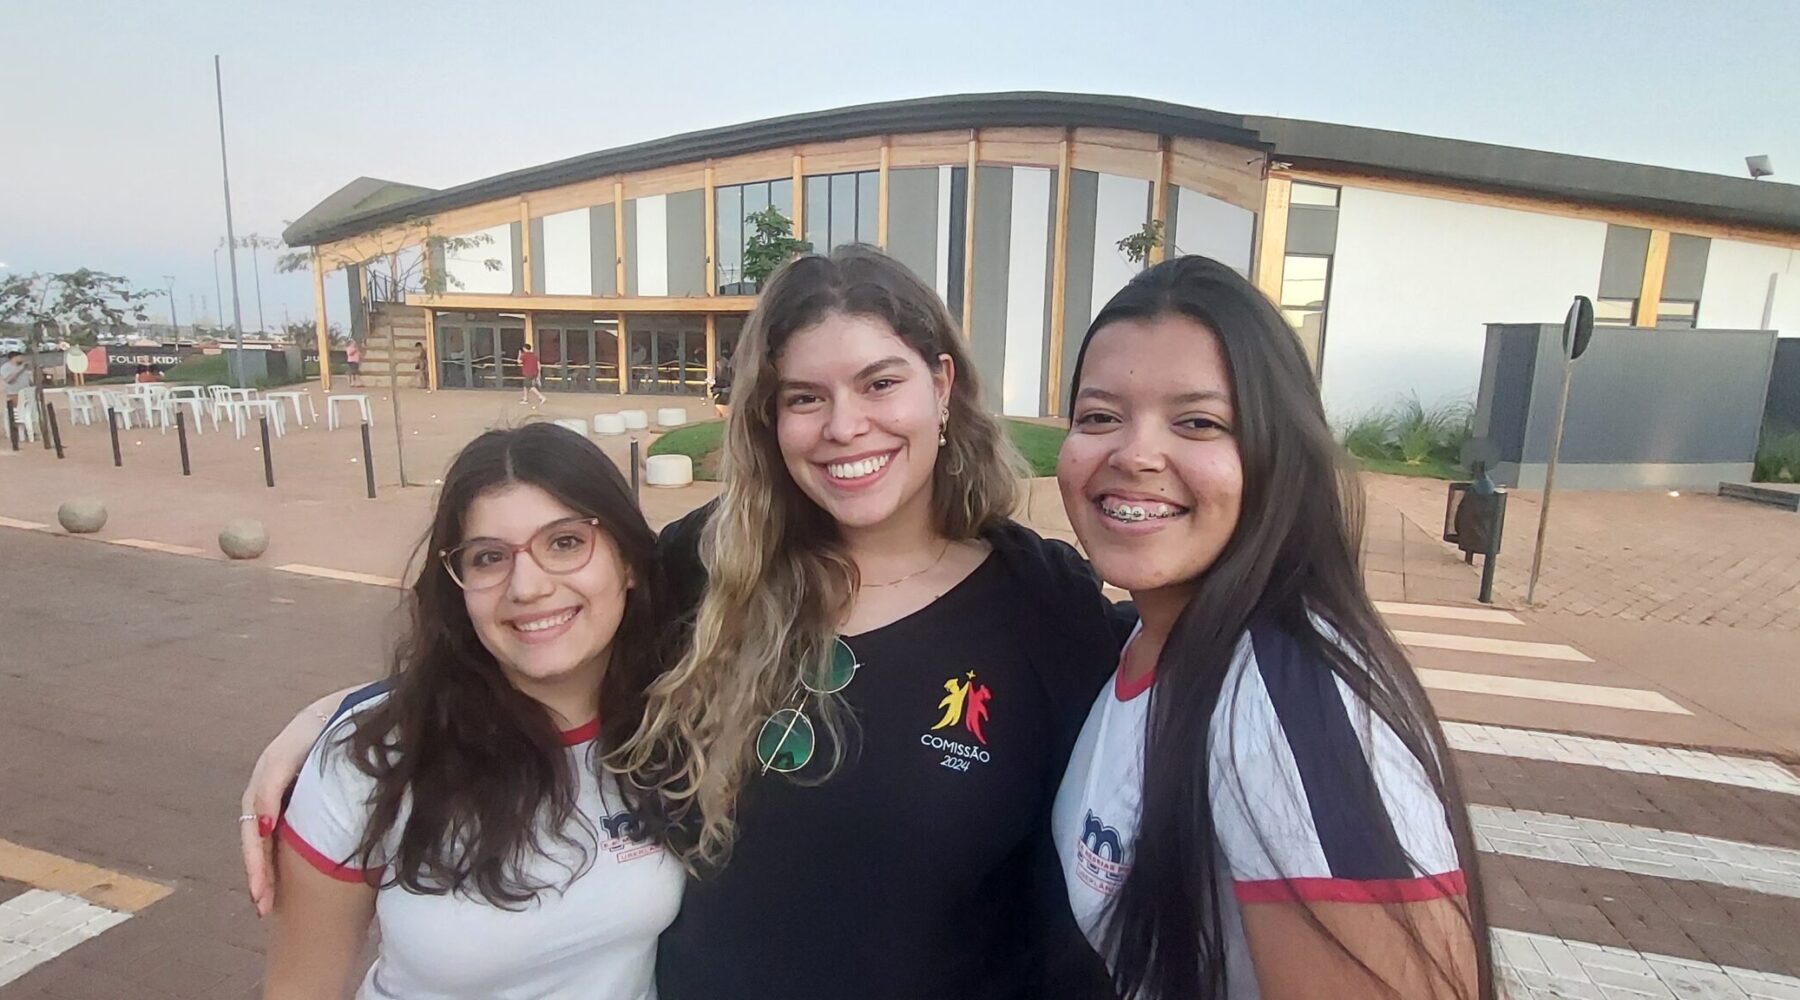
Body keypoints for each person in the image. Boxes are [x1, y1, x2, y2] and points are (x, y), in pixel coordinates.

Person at [242, 247, 1121, 1000]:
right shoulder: (708, 566)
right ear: (768, 419)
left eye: (880, 382)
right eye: (804, 397)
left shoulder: (1044, 607)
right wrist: (349, 718)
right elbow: (549, 637)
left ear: (940, 382)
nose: (845, 426)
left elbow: (1139, 783)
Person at [1050, 256, 1490, 999]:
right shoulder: (1141, 644)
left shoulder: (1294, 701)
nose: (1134, 454)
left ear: (1278, 453)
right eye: (1099, 417)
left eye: (1198, 422)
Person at [262, 423, 684, 999]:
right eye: (489, 558)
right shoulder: (371, 761)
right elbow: (300, 989)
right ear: (458, 584)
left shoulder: (677, 724)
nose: (528, 586)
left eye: (565, 542)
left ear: (628, 561)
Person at [519, 341, 546, 405]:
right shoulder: (534, 355)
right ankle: (525, 398)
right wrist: (539, 373)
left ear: (524, 349)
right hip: (534, 373)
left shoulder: (524, 355)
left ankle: (541, 397)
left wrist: (519, 354)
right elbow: (538, 364)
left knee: (530, 386)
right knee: (525, 385)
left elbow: (519, 361)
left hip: (528, 373)